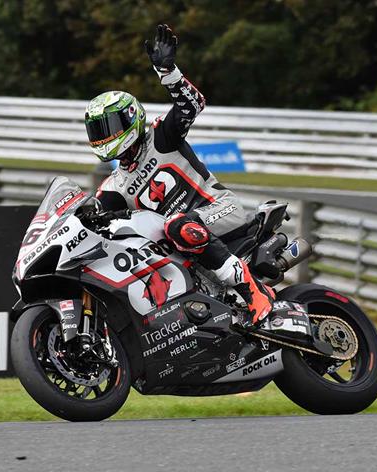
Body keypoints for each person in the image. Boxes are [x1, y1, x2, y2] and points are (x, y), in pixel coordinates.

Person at [84, 24, 274, 325]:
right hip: (183, 247)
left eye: (109, 127)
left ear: (130, 119)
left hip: (219, 209)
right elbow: (101, 228)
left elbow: (192, 104)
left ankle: (252, 292)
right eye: (97, 131)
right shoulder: (113, 189)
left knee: (176, 225)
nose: (104, 136)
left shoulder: (161, 136)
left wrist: (167, 71)